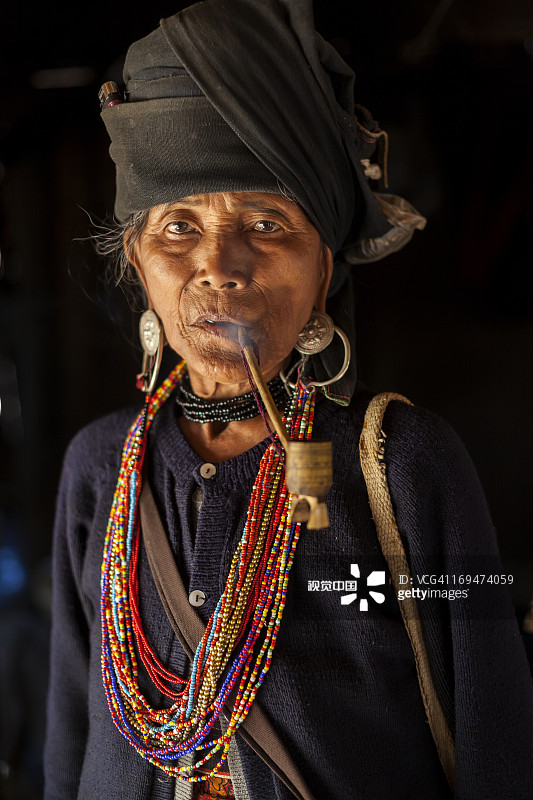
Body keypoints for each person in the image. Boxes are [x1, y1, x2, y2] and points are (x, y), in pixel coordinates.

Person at [44, 1, 533, 799]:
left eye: (267, 222)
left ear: (324, 270)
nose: (217, 265)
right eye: (175, 227)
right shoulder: (102, 467)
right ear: (135, 259)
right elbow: (71, 722)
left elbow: (494, 733)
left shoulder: (404, 462)